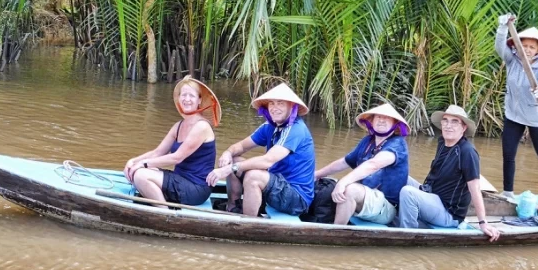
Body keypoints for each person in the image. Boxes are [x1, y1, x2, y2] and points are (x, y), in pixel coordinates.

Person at [206, 83, 315, 217]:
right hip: (276, 185)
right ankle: (233, 207)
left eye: (280, 103)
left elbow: (267, 161)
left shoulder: (296, 129)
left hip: (297, 199)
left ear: (291, 106)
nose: (274, 108)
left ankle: (248, 224)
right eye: (271, 104)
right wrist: (228, 153)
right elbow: (240, 147)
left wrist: (230, 169)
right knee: (233, 159)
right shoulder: (270, 126)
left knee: (253, 176)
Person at [398, 105, 500, 242]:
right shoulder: (442, 142)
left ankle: (406, 237)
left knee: (408, 193)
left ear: (463, 128)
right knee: (400, 176)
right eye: (445, 120)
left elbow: (475, 188)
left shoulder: (467, 152)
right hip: (432, 196)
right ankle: (392, 214)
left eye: (454, 122)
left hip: (449, 213)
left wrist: (482, 222)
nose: (448, 125)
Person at [123, 76, 221, 208]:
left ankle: (164, 214)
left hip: (196, 188)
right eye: (183, 95)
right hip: (180, 180)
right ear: (179, 99)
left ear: (199, 100)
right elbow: (158, 152)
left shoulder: (201, 126)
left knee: (141, 175)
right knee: (136, 172)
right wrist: (133, 162)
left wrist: (143, 164)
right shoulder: (178, 126)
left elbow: (177, 157)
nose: (186, 99)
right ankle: (161, 203)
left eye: (191, 96)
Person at [495, 14, 538, 199]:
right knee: (508, 154)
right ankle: (508, 191)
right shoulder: (512, 61)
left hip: (535, 116)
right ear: (518, 45)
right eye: (524, 45)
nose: (527, 49)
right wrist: (502, 28)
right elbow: (499, 47)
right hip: (513, 114)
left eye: (531, 47)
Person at [314, 103, 409, 225]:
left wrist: (343, 182)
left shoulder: (398, 144)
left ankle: (336, 232)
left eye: (386, 118)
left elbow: (373, 164)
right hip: (366, 199)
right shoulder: (367, 141)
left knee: (350, 189)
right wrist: (317, 175)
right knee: (328, 182)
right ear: (372, 121)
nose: (381, 120)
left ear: (394, 123)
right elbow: (344, 162)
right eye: (378, 117)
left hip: (386, 207)